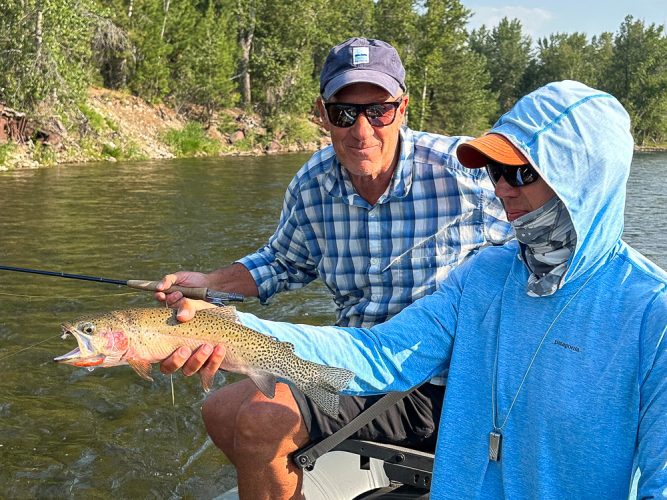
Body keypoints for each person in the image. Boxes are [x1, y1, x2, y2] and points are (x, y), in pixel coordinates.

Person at [209, 80, 667, 497]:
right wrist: (227, 332)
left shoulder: (652, 315)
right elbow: (377, 353)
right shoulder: (484, 276)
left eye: (521, 172)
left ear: (584, 181)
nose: (503, 189)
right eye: (495, 171)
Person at [156, 37, 512, 498]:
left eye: (378, 111)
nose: (362, 131)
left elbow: (539, 240)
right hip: (352, 368)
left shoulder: (465, 172)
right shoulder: (313, 183)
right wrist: (207, 284)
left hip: (442, 384)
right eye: (344, 114)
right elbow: (282, 262)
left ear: (403, 108)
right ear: (323, 114)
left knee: (262, 420)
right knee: (220, 412)